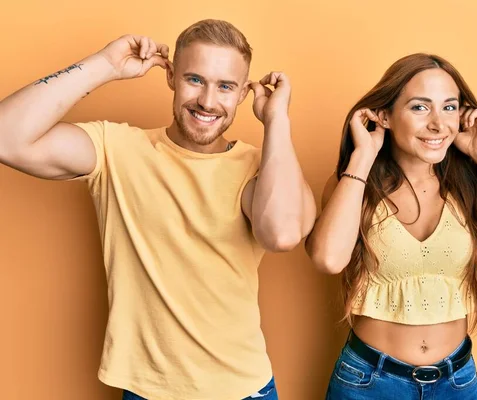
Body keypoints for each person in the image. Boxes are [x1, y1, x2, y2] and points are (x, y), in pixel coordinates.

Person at [0, 19, 316, 400]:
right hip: (147, 392)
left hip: (243, 391)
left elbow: (281, 233)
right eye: (195, 79)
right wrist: (106, 65)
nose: (208, 101)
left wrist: (277, 120)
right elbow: (6, 138)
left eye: (226, 86)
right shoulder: (116, 149)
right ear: (171, 76)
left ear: (244, 92)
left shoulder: (263, 168)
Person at [305, 53, 477, 399]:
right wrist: (363, 156)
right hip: (368, 382)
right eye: (420, 108)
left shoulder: (469, 188)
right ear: (384, 115)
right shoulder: (356, 185)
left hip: (456, 382)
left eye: (449, 107)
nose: (438, 124)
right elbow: (328, 259)